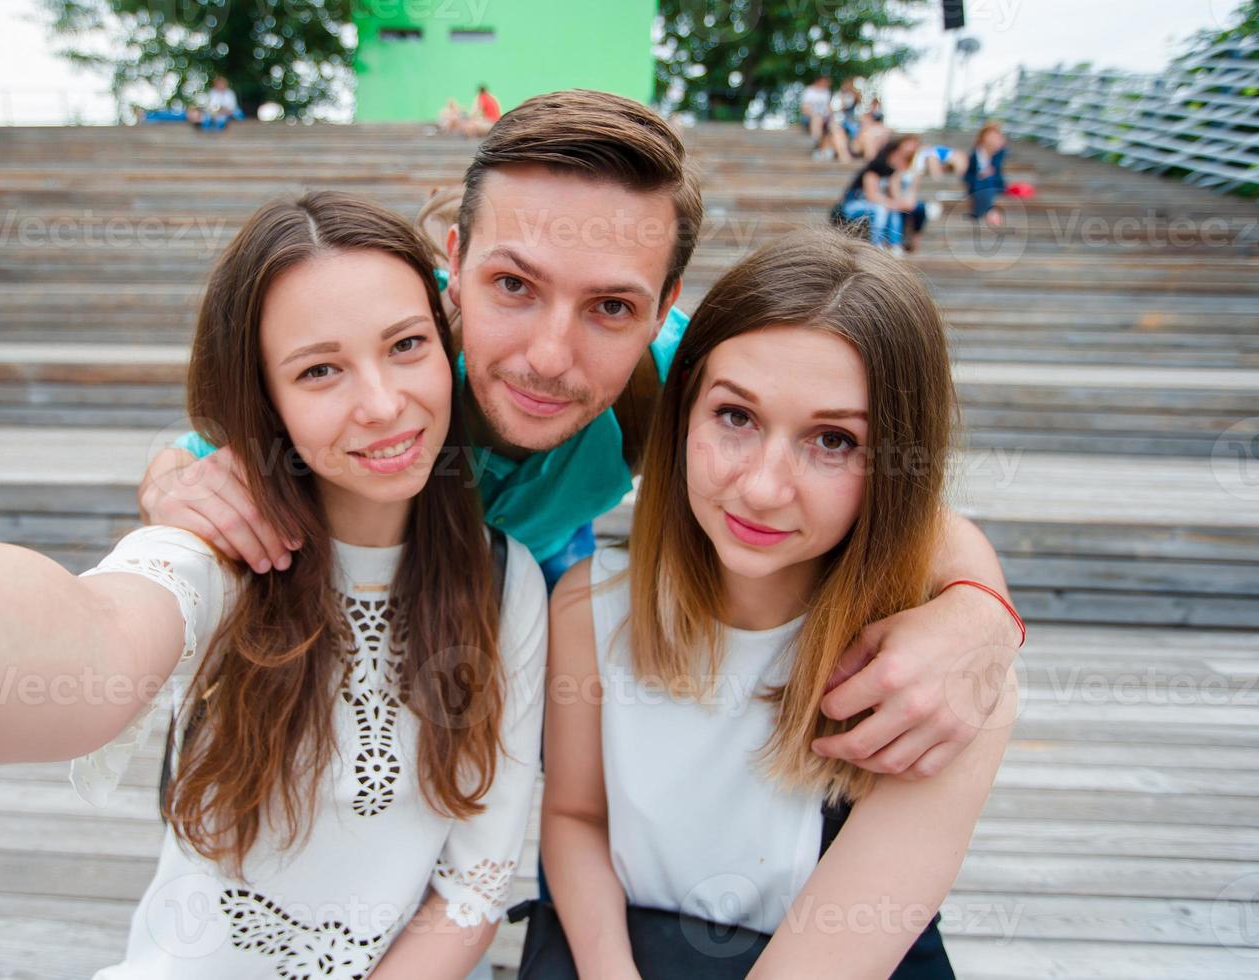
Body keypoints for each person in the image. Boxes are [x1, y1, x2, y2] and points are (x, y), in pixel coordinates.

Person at [139, 90, 1024, 784]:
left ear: (665, 308)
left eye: (610, 306)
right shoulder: (390, 364)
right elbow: (202, 446)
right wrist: (171, 479)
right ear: (453, 262)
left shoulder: (684, 375)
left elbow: (920, 510)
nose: (549, 358)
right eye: (513, 286)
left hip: (542, 567)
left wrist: (981, 617)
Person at [0, 193, 548, 979]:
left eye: (406, 345)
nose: (384, 403)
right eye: (319, 369)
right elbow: (98, 643)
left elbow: (473, 888)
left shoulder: (505, 583)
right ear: (266, 400)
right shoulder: (216, 552)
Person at [532, 229, 1015, 977]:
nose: (761, 486)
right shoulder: (586, 608)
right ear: (684, 411)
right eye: (736, 416)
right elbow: (574, 816)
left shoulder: (942, 679)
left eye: (832, 441)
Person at [837, 133, 922, 252]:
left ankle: (895, 245)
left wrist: (897, 201)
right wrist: (894, 204)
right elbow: (871, 196)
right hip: (853, 205)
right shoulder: (874, 169)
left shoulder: (894, 174)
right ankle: (876, 246)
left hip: (877, 205)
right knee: (881, 209)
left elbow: (896, 196)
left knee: (892, 209)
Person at [966, 122, 1009, 227]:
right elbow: (968, 174)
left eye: (994, 136)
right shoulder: (975, 154)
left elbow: (995, 168)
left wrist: (998, 146)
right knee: (981, 182)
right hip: (977, 185)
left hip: (994, 184)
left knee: (987, 182)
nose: (991, 138)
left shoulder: (999, 152)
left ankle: (982, 212)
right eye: (989, 135)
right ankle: (990, 211)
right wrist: (980, 175)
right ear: (983, 137)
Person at [800, 76, 848, 163]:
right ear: (819, 81)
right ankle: (817, 142)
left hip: (824, 118)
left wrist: (831, 115)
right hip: (811, 118)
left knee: (836, 126)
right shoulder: (809, 91)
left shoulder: (826, 92)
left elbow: (828, 108)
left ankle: (843, 155)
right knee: (817, 118)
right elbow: (805, 109)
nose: (826, 85)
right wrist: (816, 115)